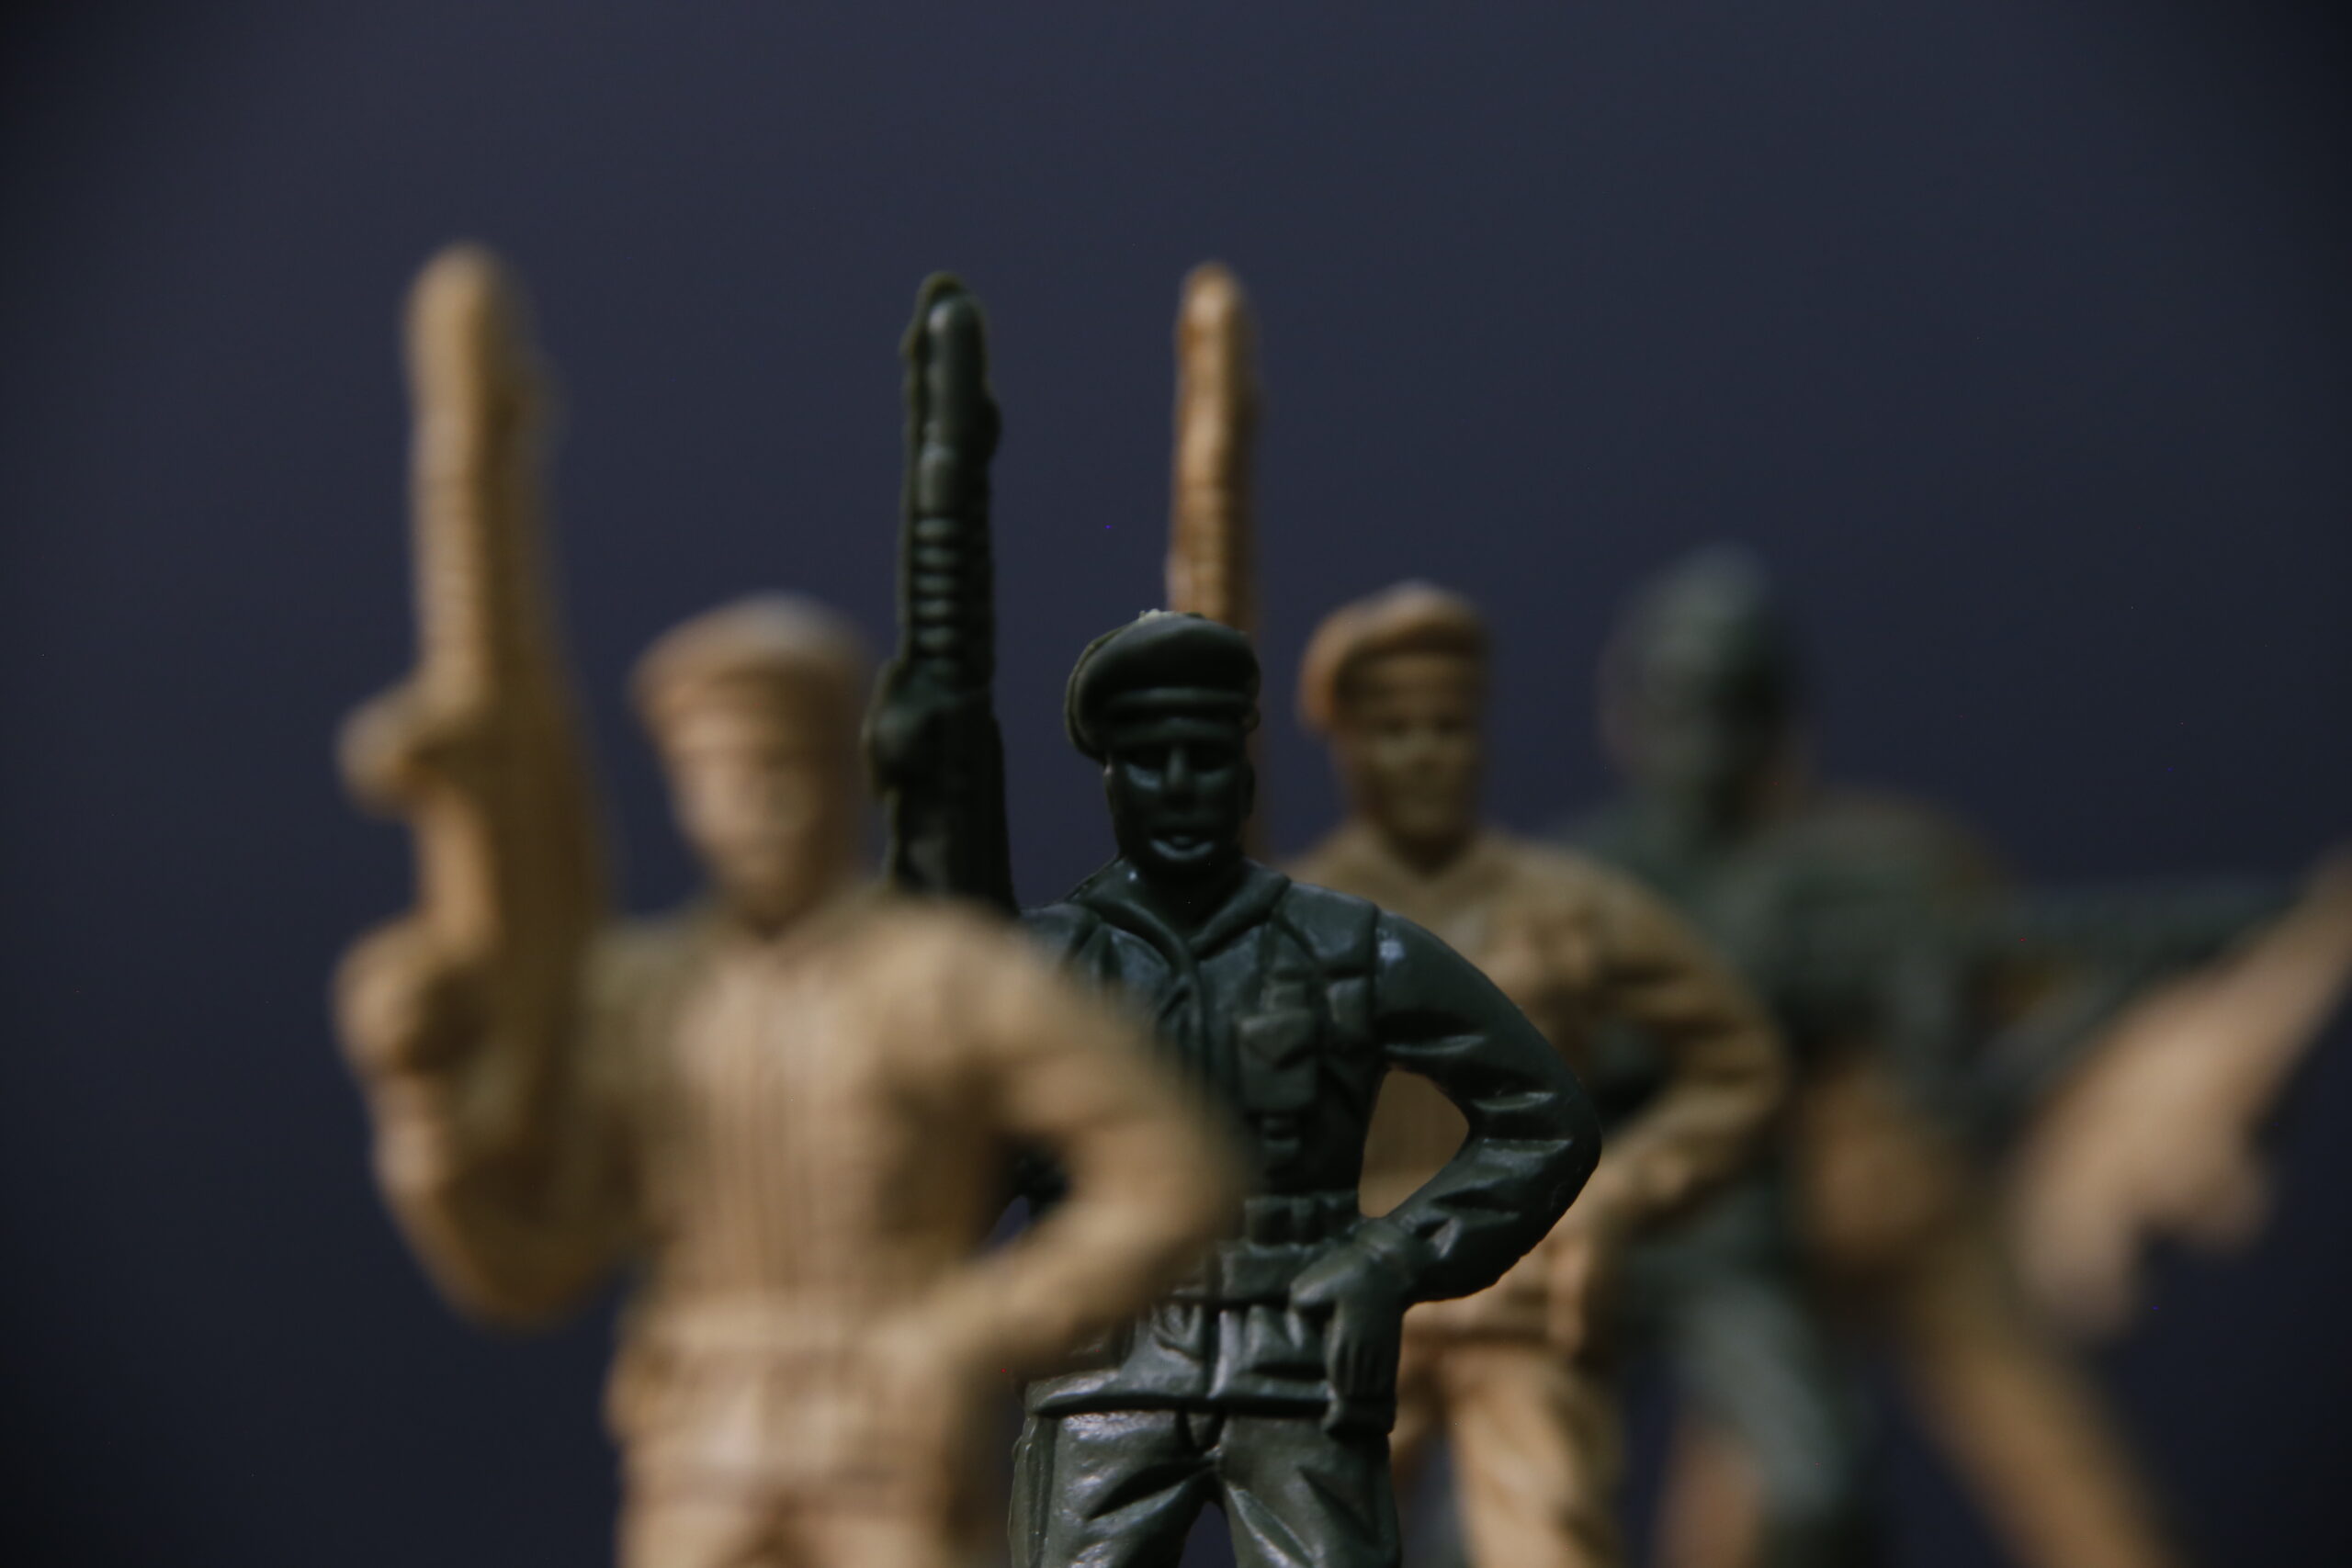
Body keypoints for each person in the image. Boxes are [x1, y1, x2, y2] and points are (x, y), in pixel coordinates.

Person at [336, 249, 1239, 1568]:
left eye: (785, 770)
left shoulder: (942, 975)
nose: (757, 806)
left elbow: (1173, 1172)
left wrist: (975, 1325)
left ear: (840, 774)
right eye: (724, 776)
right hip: (698, 1443)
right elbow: (542, 1259)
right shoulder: (643, 994)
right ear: (682, 793)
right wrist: (429, 1126)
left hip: (889, 1444)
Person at [1006, 611, 1602, 1568]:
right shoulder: (1042, 963)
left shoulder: (1348, 947)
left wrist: (1392, 1256)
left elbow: (1545, 1120)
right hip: (1104, 1367)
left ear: (1244, 775)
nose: (1180, 786)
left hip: (1298, 1357)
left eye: (1207, 758)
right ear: (1109, 778)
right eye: (1148, 760)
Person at [1286, 581, 1785, 1568]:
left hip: (1521, 1294)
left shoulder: (1567, 903)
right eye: (1394, 730)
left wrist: (1618, 1194)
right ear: (1347, 745)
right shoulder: (1291, 917)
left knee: (1551, 1535)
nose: (1424, 754)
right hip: (1347, 1302)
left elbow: (1739, 1062)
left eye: (1447, 727)